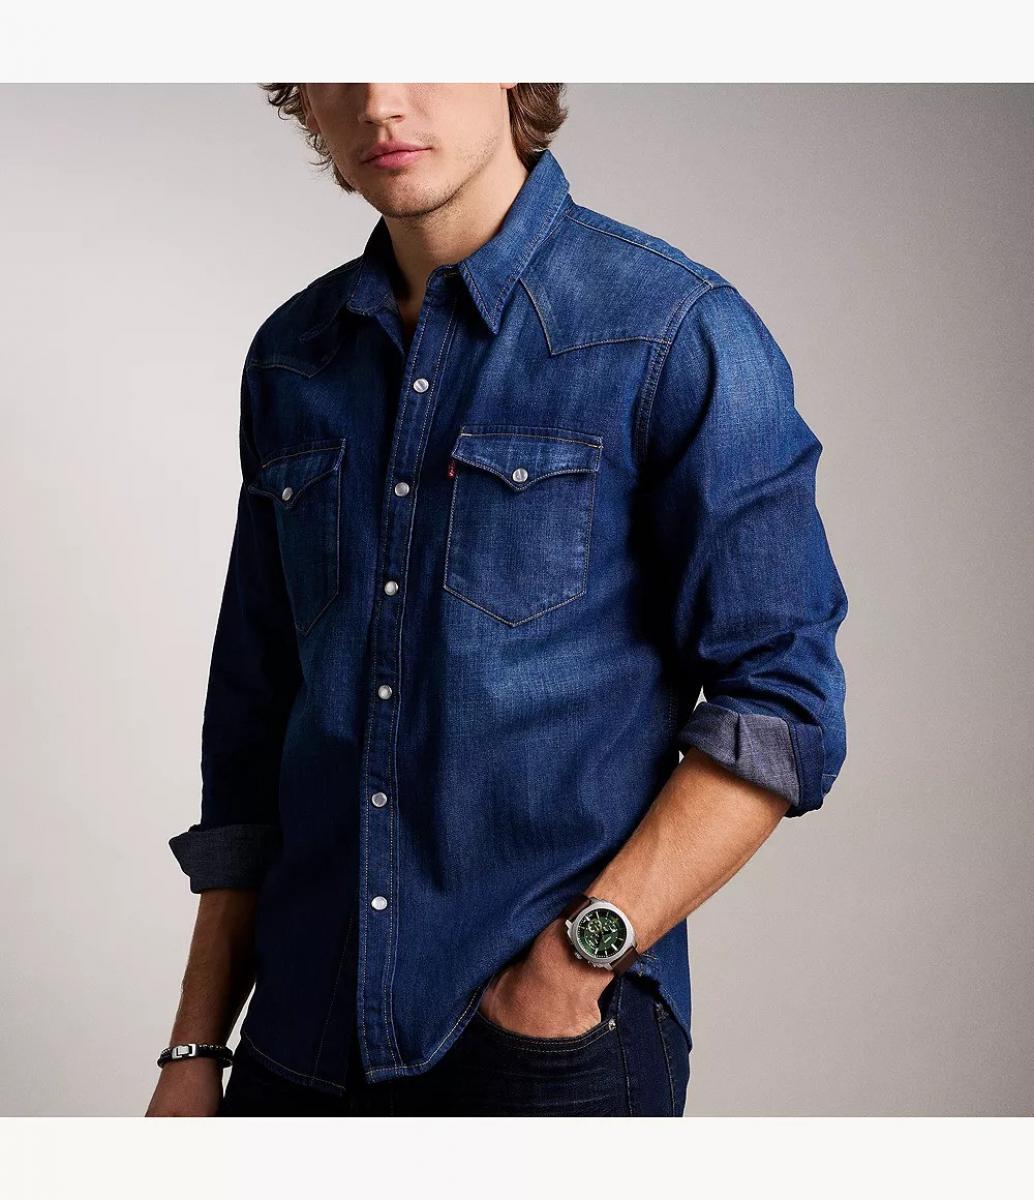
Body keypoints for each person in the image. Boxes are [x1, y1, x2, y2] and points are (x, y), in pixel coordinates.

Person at [146, 83, 848, 1118]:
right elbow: (253, 731)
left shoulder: (672, 330)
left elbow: (781, 704)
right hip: (297, 1041)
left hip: (548, 1051)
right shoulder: (293, 358)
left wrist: (573, 966)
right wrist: (197, 1043)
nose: (379, 100)